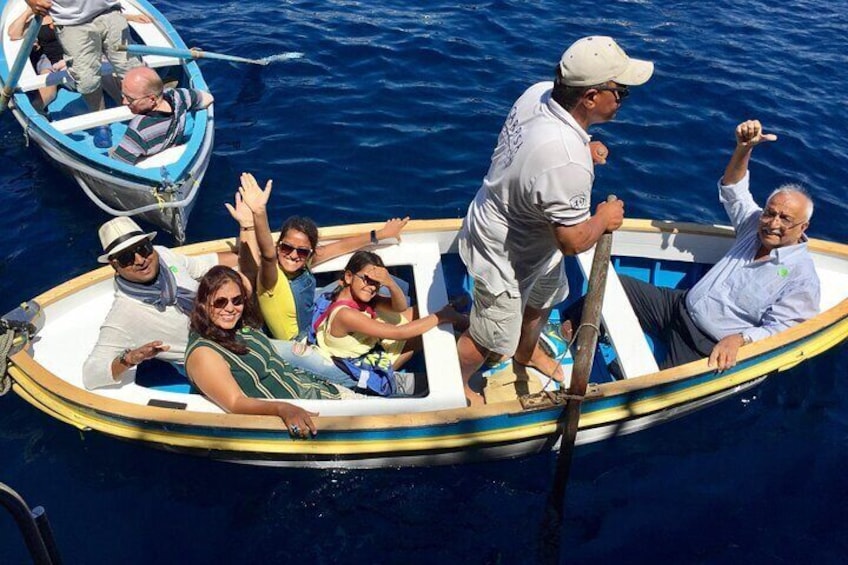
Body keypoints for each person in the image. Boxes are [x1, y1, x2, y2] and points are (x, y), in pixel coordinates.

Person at [456, 36, 653, 405]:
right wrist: (604, 217)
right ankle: (458, 381)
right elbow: (574, 241)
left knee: (545, 296)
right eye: (620, 91)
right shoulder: (564, 160)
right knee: (488, 336)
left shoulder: (541, 93)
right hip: (505, 255)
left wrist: (583, 145)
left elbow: (541, 149)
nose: (623, 97)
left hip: (528, 236)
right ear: (590, 97)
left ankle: (526, 351)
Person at [564, 119, 821, 372]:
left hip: (704, 345)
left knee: (649, 389)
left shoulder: (801, 277)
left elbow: (783, 329)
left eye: (785, 218)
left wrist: (741, 339)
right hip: (677, 307)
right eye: (769, 213)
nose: (772, 223)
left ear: (803, 227)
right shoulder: (754, 225)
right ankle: (564, 332)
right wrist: (744, 148)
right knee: (613, 285)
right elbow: (734, 189)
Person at [185, 266, 356, 438]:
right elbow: (235, 403)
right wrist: (282, 408)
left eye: (237, 300)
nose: (230, 308)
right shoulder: (204, 353)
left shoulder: (238, 327)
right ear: (203, 304)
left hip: (323, 393)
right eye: (220, 302)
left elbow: (247, 281)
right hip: (307, 413)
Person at [82, 216, 237, 390]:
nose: (140, 260)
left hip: (237, 333)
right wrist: (129, 358)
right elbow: (90, 375)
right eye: (127, 258)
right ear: (114, 265)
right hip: (216, 366)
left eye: (144, 248)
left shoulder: (164, 256)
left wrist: (251, 238)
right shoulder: (124, 314)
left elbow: (207, 263)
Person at [313, 251, 465, 396]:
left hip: (370, 345)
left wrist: (390, 283)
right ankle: (466, 333)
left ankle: (459, 319)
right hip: (367, 362)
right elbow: (399, 333)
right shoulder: (345, 314)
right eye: (367, 279)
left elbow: (400, 307)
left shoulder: (359, 297)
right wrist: (441, 317)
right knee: (434, 330)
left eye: (377, 283)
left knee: (423, 311)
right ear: (348, 277)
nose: (372, 287)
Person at [25, 0, 143, 147]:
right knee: (87, 80)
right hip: (72, 22)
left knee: (131, 67)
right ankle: (101, 123)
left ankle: (143, 114)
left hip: (109, 11)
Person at [110, 66, 214, 164]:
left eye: (130, 99)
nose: (124, 102)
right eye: (123, 95)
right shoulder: (179, 96)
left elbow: (117, 163)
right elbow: (208, 98)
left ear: (152, 99)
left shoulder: (139, 129)